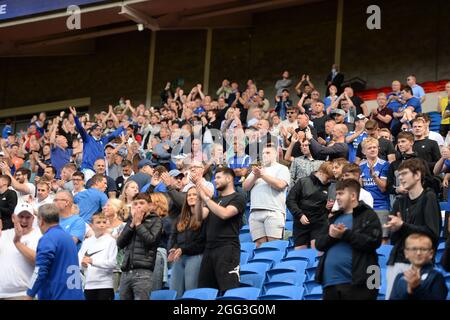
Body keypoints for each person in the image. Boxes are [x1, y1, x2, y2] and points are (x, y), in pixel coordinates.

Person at [384, 159, 442, 299]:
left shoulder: (429, 197)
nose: (400, 178)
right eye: (399, 174)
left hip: (420, 264)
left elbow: (432, 234)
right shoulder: (400, 201)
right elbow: (395, 238)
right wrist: (395, 228)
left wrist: (403, 226)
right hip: (397, 262)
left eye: (404, 173)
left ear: (417, 175)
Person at [316, 179, 382, 300]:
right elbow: (319, 244)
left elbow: (373, 242)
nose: (337, 197)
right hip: (330, 284)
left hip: (360, 284)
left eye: (341, 193)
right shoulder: (334, 217)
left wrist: (345, 234)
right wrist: (332, 236)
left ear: (352, 196)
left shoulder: (368, 214)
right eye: (336, 194)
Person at [195, 167, 246, 292]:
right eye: (214, 178)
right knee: (205, 291)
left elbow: (225, 214)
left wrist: (206, 198)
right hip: (209, 249)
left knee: (229, 290)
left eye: (218, 177)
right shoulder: (215, 200)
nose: (215, 181)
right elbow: (199, 216)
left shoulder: (238, 197)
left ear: (229, 179)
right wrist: (199, 198)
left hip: (227, 248)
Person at [26, 204, 84, 300]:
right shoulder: (68, 237)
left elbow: (40, 271)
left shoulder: (48, 238)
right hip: (75, 294)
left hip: (58, 295)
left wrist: (29, 294)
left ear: (41, 221)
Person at [117, 193, 162, 300]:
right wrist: (132, 224)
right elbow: (120, 243)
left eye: (141, 203)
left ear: (150, 206)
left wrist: (138, 224)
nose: (138, 206)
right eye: (135, 204)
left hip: (143, 272)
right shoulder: (130, 221)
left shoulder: (156, 220)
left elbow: (151, 241)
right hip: (126, 271)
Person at [243, 146, 290, 247]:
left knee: (274, 245)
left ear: (275, 154)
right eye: (263, 153)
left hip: (273, 210)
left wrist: (262, 176)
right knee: (259, 246)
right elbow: (245, 187)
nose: (264, 155)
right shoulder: (257, 170)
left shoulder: (282, 168)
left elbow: (280, 185)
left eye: (268, 152)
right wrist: (255, 175)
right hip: (255, 211)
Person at [69, 106, 128, 181]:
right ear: (91, 132)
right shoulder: (87, 139)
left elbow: (113, 135)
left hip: (99, 170)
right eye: (96, 130)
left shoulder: (103, 140)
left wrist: (122, 128)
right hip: (88, 169)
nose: (99, 131)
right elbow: (80, 129)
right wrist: (75, 117)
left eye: (100, 130)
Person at [286, 162, 334, 249]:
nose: (329, 181)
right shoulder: (303, 182)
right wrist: (299, 215)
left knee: (316, 249)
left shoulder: (330, 186)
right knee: (300, 253)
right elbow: (290, 200)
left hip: (320, 222)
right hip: (301, 222)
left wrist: (328, 207)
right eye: (327, 178)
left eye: (331, 179)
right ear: (321, 172)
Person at [168, 186, 205, 297]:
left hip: (195, 256)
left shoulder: (204, 215)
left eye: (194, 195)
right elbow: (173, 236)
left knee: (191, 291)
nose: (191, 197)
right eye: (189, 195)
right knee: (175, 291)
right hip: (179, 257)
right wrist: (172, 248)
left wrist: (183, 249)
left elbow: (202, 241)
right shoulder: (181, 217)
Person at [0, 202, 41, 300]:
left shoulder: (39, 236)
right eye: (21, 216)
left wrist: (17, 242)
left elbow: (39, 260)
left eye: (28, 217)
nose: (24, 220)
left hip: (24, 294)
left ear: (33, 219)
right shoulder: (4, 234)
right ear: (13, 218)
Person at [390, 233, 448, 300]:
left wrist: (416, 288)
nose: (418, 253)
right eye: (414, 249)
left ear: (431, 254)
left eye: (423, 249)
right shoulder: (400, 277)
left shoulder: (436, 277)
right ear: (406, 253)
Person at [78, 212, 118, 300]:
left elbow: (113, 263)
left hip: (105, 285)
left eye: (104, 222)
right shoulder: (86, 242)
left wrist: (93, 261)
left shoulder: (110, 241)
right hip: (89, 285)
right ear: (91, 225)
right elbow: (79, 261)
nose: (102, 225)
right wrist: (83, 265)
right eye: (98, 222)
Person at [359, 138, 390, 241]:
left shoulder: (384, 165)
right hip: (366, 207)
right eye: (369, 148)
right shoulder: (361, 166)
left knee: (382, 238)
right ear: (363, 151)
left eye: (374, 147)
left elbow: (383, 188)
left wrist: (374, 177)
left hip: (381, 206)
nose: (372, 150)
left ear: (378, 149)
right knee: (366, 238)